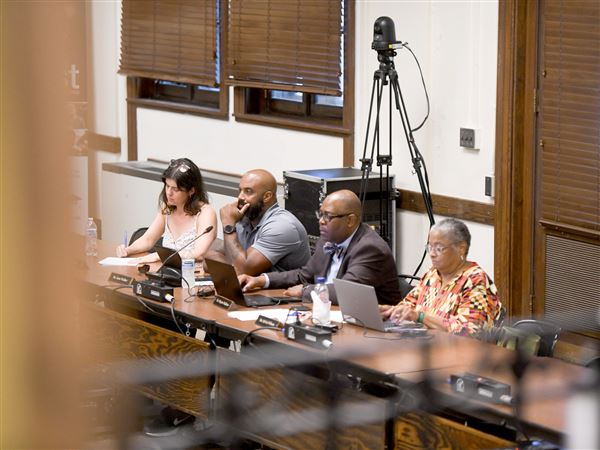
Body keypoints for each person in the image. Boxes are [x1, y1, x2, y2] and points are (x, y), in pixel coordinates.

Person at [239, 189, 402, 305]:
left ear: (350, 220)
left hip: (374, 331)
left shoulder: (370, 248)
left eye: (328, 216)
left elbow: (346, 292)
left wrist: (305, 292)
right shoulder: (327, 240)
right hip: (330, 315)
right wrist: (261, 280)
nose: (321, 221)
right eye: (320, 214)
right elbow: (305, 275)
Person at [380, 218, 501, 336]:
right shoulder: (432, 274)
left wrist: (420, 316)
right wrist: (389, 311)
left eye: (439, 248)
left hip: (460, 352)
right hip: (426, 346)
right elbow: (409, 306)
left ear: (461, 249)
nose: (432, 254)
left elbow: (471, 331)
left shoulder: (475, 280)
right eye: (430, 247)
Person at [206, 169, 310, 275]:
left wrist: (228, 225)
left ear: (267, 196)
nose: (240, 197)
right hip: (255, 288)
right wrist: (234, 266)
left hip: (284, 290)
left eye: (248, 191)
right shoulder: (245, 218)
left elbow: (243, 270)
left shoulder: (282, 226)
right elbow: (209, 258)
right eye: (240, 190)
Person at [116, 158, 217, 263]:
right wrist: (127, 250)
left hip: (192, 275)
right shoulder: (167, 208)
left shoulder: (206, 213)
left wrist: (159, 256)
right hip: (167, 272)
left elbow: (199, 254)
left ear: (191, 190)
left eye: (175, 189)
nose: (169, 193)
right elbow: (148, 240)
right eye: (167, 186)